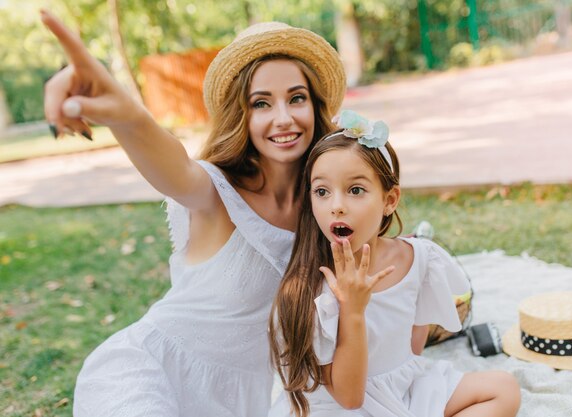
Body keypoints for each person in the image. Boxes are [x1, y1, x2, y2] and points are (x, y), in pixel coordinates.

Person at [40, 9, 346, 417]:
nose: (284, 118)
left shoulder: (324, 207)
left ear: (315, 106)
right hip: (152, 374)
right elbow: (177, 169)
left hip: (249, 400)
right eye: (261, 103)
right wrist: (128, 116)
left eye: (296, 98)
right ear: (242, 114)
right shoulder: (216, 191)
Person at [268, 110, 521, 417]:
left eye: (356, 190)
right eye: (322, 191)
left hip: (403, 386)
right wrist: (352, 310)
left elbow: (414, 350)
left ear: (389, 200)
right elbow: (349, 398)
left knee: (504, 389)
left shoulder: (418, 258)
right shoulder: (308, 287)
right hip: (341, 405)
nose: (336, 206)